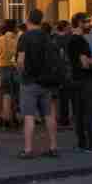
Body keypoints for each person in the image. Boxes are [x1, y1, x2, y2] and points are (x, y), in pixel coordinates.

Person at [16, 9, 59, 158]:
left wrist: (21, 72)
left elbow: (21, 61)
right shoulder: (47, 37)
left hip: (29, 81)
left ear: (28, 19)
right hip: (46, 81)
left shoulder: (24, 37)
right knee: (48, 114)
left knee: (29, 115)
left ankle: (28, 149)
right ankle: (53, 146)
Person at [64, 13, 92, 153]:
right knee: (89, 112)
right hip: (85, 79)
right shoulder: (80, 41)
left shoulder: (70, 39)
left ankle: (82, 142)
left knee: (79, 112)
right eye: (86, 22)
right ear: (80, 23)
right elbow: (84, 63)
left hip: (74, 79)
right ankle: (91, 143)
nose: (90, 24)